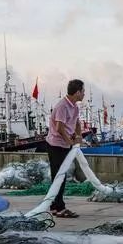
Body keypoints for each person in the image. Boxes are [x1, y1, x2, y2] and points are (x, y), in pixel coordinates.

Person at [45, 79, 85, 218]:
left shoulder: (74, 106)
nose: (84, 94)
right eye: (83, 91)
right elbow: (59, 128)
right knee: (59, 176)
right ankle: (59, 207)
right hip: (56, 145)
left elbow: (77, 123)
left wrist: (78, 136)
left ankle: (55, 206)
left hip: (65, 145)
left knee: (61, 176)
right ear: (77, 92)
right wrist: (70, 142)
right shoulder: (62, 106)